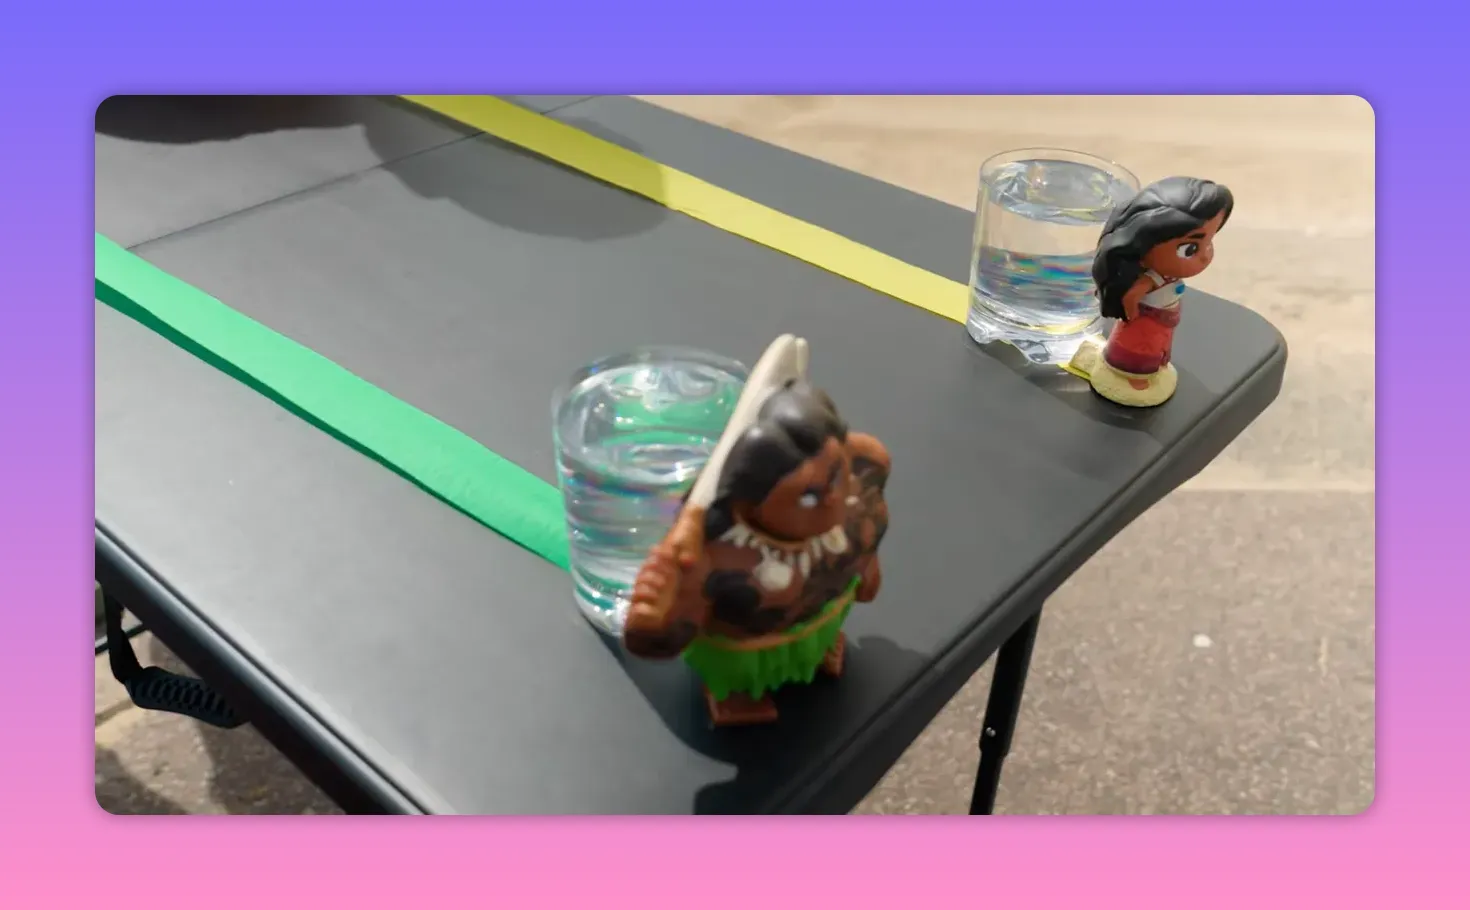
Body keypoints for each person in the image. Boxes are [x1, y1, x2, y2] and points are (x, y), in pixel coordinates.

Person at [1088, 176, 1235, 407]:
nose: (1206, 255)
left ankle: (1151, 369)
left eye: (1209, 242)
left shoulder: (1164, 277)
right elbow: (1132, 297)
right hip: (1146, 320)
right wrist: (1131, 315)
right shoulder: (1150, 280)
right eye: (1190, 249)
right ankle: (1129, 374)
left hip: (1165, 317)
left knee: (1159, 346)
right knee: (1138, 350)